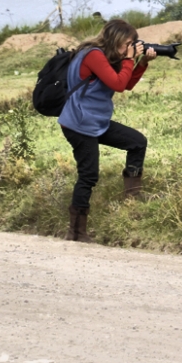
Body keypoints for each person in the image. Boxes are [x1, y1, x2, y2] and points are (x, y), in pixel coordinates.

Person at [58, 19, 156, 243]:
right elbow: (118, 84)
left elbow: (126, 83)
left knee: (137, 142)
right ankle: (76, 232)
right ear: (116, 40)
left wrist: (140, 63)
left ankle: (132, 198)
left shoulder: (106, 57)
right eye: (128, 43)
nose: (129, 48)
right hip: (79, 124)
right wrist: (131, 59)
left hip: (95, 122)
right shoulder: (93, 55)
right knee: (89, 175)